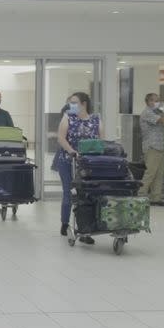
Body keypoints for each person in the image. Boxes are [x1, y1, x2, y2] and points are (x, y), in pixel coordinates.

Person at [56, 92, 104, 244]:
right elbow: (61, 138)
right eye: (70, 102)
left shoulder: (96, 119)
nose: (71, 105)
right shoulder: (68, 117)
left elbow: (101, 141)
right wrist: (71, 151)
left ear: (84, 104)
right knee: (69, 192)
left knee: (87, 195)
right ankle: (65, 223)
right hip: (67, 161)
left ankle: (85, 229)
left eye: (74, 102)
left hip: (88, 163)